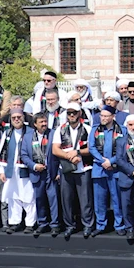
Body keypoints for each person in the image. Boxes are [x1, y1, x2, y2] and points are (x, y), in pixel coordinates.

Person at [52, 102, 94, 239]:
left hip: (84, 169)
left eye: (74, 113)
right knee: (67, 200)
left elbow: (91, 149)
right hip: (66, 169)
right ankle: (69, 225)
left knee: (85, 200)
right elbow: (55, 149)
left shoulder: (88, 129)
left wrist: (77, 153)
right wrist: (69, 156)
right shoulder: (60, 129)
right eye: (69, 113)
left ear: (79, 114)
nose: (71, 115)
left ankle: (88, 225)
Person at [21, 112, 60, 237]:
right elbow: (24, 155)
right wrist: (34, 165)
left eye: (45, 121)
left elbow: (59, 152)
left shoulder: (53, 134)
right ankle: (42, 223)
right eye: (41, 122)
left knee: (53, 198)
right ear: (35, 124)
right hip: (36, 172)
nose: (44, 124)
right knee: (39, 199)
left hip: (51, 172)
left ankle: (55, 225)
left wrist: (58, 171)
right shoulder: (27, 137)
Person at [88, 105, 125, 236]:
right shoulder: (95, 129)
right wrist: (103, 161)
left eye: (105, 116)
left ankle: (119, 225)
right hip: (99, 169)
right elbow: (91, 147)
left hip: (115, 169)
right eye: (101, 116)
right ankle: (100, 224)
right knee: (99, 199)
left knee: (117, 199)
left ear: (113, 117)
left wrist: (111, 161)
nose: (102, 118)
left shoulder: (121, 130)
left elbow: (124, 148)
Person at [0, 109, 33, 233]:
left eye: (19, 117)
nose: (16, 119)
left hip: (26, 169)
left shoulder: (30, 132)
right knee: (13, 196)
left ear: (23, 117)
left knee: (28, 196)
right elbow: (1, 152)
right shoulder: (7, 133)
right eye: (14, 118)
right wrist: (2, 171)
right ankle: (15, 222)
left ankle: (30, 223)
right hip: (11, 170)